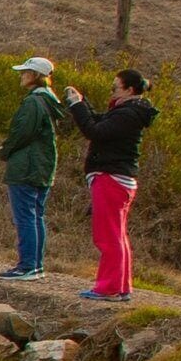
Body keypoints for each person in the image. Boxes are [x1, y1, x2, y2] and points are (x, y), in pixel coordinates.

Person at [62, 68, 157, 303]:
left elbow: (94, 131)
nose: (112, 91)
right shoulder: (128, 112)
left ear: (129, 90)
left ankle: (108, 288)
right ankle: (121, 285)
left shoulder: (127, 115)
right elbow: (100, 122)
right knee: (118, 234)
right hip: (119, 178)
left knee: (108, 236)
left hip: (111, 178)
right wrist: (83, 103)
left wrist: (76, 107)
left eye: (116, 87)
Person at [0, 55, 61, 280]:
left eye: (25, 72)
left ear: (35, 76)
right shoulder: (49, 100)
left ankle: (27, 265)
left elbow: (22, 133)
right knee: (36, 216)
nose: (22, 76)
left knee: (25, 216)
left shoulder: (34, 101)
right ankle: (35, 264)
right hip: (42, 166)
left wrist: (5, 150)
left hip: (27, 166)